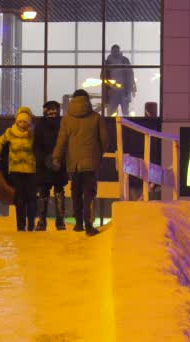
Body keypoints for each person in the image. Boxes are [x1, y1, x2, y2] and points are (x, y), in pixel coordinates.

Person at [52, 89, 109, 236]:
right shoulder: (97, 118)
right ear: (87, 100)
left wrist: (56, 157)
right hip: (91, 163)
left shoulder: (67, 119)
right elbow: (105, 141)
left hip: (73, 164)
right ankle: (89, 225)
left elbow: (61, 141)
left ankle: (78, 224)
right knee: (89, 193)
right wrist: (99, 154)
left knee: (76, 192)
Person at [0, 107, 37, 232]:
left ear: (29, 122)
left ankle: (31, 224)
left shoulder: (33, 134)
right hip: (16, 170)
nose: (22, 124)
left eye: (25, 122)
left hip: (31, 170)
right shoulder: (10, 132)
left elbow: (40, 148)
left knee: (31, 198)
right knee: (19, 198)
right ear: (16, 122)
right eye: (20, 121)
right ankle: (20, 226)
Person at [33, 100, 69, 231]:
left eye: (54, 111)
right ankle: (43, 221)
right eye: (50, 111)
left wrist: (59, 159)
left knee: (58, 192)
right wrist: (46, 160)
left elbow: (66, 144)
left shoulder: (62, 124)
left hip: (58, 164)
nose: (52, 114)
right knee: (44, 193)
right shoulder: (41, 125)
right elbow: (36, 146)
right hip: (45, 165)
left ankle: (59, 221)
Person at [101, 44, 136, 116]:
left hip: (119, 91)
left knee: (117, 112)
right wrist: (132, 87)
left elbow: (130, 75)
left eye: (116, 51)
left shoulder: (109, 62)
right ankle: (124, 125)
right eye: (114, 51)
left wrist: (132, 87)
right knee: (122, 111)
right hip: (117, 91)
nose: (115, 53)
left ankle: (114, 125)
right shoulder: (122, 60)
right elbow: (130, 74)